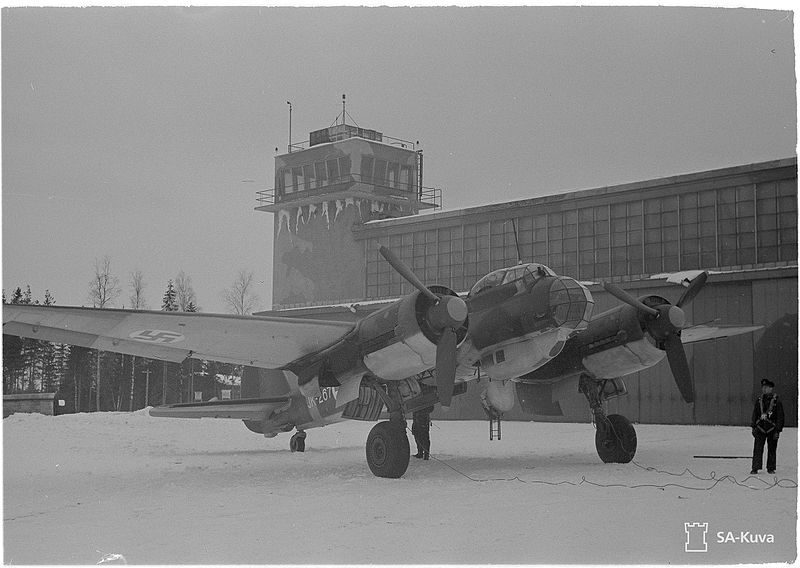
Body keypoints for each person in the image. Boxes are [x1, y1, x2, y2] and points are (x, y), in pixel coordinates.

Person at [750, 378, 784, 475]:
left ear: (771, 389)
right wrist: (753, 426)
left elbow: (780, 416)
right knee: (757, 449)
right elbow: (755, 414)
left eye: (766, 388)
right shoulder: (759, 400)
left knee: (772, 449)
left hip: (772, 429)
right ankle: (755, 468)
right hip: (760, 428)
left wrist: (778, 430)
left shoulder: (777, 401)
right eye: (763, 387)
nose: (764, 389)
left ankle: (771, 467)